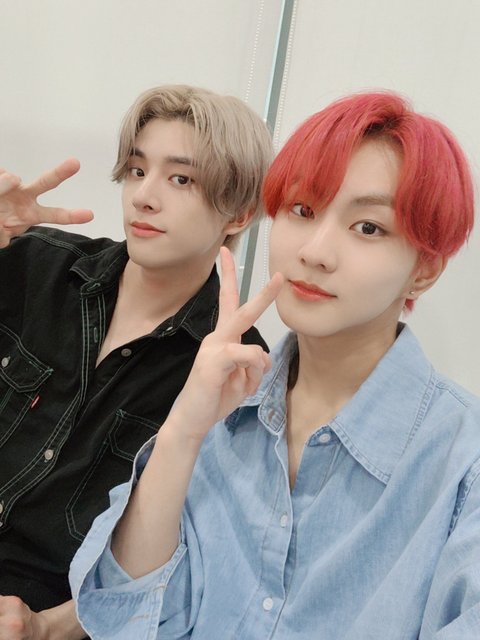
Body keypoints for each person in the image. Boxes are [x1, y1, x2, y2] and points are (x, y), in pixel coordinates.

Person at [71, 90, 480, 639]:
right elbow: (124, 614)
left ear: (424, 270)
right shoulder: (223, 411)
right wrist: (183, 431)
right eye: (303, 211)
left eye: (368, 227)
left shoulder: (463, 463)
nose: (315, 252)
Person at [0, 84, 273, 638]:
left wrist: (45, 628)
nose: (143, 197)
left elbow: (180, 566)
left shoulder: (234, 370)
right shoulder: (34, 264)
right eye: (136, 170)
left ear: (240, 213)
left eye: (181, 179)